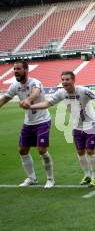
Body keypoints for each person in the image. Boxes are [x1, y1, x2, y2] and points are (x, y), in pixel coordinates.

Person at [23, 71, 95, 187]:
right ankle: (87, 175)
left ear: (73, 80)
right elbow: (47, 104)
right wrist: (30, 106)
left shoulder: (83, 91)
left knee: (90, 151)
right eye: (63, 80)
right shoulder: (61, 93)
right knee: (80, 152)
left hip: (90, 124)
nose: (64, 82)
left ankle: (94, 177)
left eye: (67, 79)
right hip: (76, 126)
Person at [0, 60, 55, 188]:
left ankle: (50, 179)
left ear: (26, 70)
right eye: (14, 69)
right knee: (23, 150)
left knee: (42, 150)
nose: (15, 72)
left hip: (42, 120)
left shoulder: (35, 82)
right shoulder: (15, 86)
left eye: (18, 69)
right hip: (28, 123)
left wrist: (28, 100)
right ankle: (32, 178)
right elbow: (4, 99)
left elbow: (36, 92)